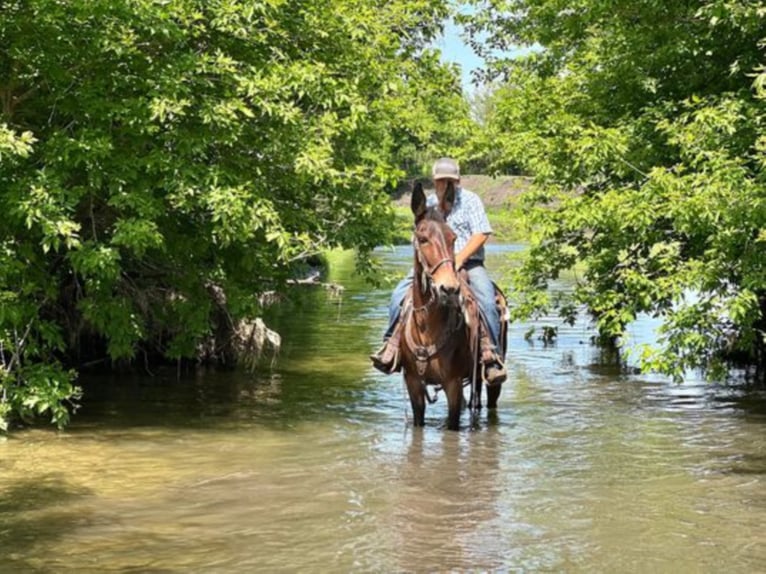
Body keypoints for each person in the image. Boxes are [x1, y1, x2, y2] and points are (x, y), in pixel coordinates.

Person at [370, 157, 507, 386]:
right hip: (434, 267)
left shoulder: (470, 201)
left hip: (469, 263)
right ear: (435, 181)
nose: (446, 185)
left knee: (485, 298)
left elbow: (482, 233)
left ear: (458, 181)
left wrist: (459, 259)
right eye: (442, 181)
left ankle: (490, 354)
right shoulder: (429, 205)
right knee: (397, 296)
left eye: (450, 181)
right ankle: (391, 346)